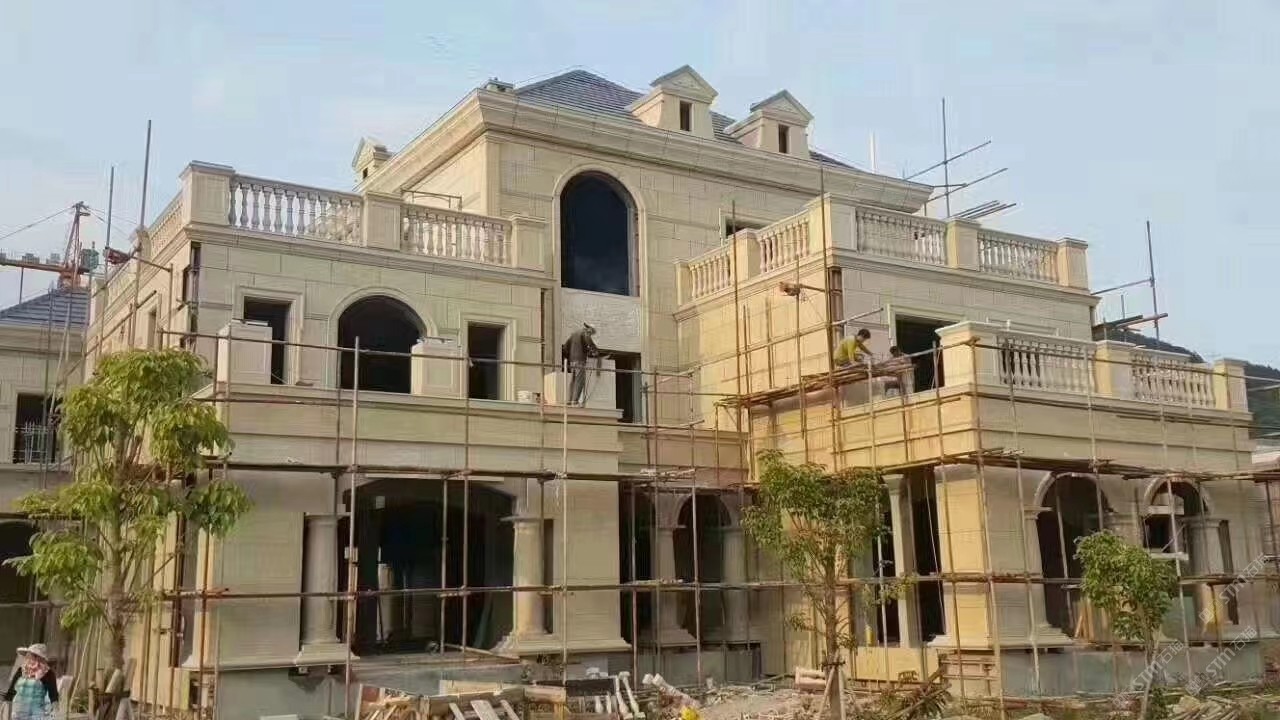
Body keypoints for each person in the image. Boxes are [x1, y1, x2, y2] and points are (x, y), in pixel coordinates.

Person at [3, 644, 58, 720]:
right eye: (28, 655)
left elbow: (53, 695)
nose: (28, 658)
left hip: (37, 715)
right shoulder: (21, 670)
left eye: (31, 656)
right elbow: (11, 691)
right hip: (18, 713)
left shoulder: (48, 673)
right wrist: (6, 704)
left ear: (39, 658)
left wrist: (54, 711)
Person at [561, 323, 599, 406]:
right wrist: (595, 351)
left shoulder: (574, 334)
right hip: (580, 360)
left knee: (573, 381)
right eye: (592, 333)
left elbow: (565, 347)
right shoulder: (585, 332)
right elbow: (588, 340)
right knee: (579, 381)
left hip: (572, 361)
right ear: (590, 329)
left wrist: (570, 356)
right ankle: (575, 401)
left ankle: (569, 400)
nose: (591, 334)